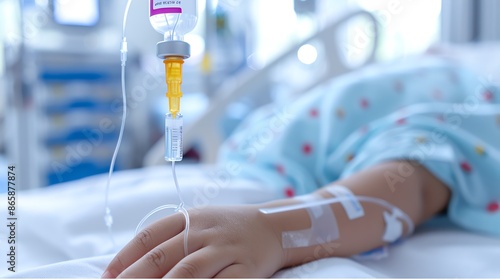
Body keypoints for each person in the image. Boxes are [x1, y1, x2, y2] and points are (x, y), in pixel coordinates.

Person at [102, 56, 500, 278]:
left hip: (274, 161)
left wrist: (276, 230)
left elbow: (415, 176)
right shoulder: (476, 87)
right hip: (261, 138)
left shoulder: (480, 124)